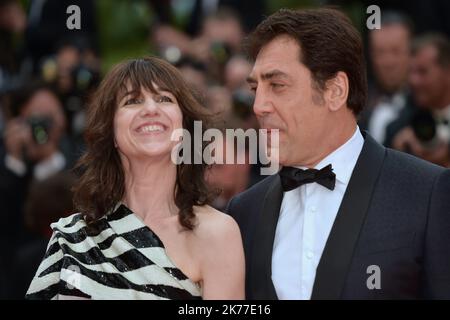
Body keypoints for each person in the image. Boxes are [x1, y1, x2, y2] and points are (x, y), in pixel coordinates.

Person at [226, 8, 450, 299]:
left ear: (335, 90)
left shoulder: (427, 193)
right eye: (256, 88)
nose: (259, 106)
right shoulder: (244, 212)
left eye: (277, 85)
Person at [26, 57, 245, 300]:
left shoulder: (217, 233)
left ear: (185, 130)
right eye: (132, 101)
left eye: (164, 98)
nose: (151, 109)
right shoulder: (72, 237)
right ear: (112, 134)